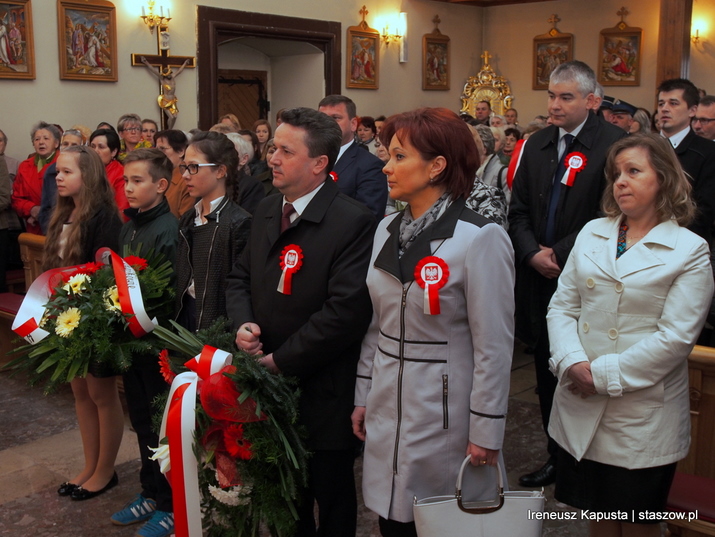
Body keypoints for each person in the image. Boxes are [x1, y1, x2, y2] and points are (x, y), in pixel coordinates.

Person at [352, 108, 514, 537]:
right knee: (391, 517)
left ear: (437, 165)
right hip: (388, 396)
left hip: (445, 405)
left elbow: (494, 346)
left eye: (399, 156)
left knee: (439, 518)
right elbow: (377, 323)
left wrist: (486, 430)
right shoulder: (385, 228)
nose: (386, 166)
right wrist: (363, 392)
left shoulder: (479, 237)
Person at [547, 134, 713, 537]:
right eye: (616, 173)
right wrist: (572, 363)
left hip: (639, 416)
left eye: (633, 171)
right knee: (598, 520)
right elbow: (563, 307)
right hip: (580, 403)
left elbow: (675, 339)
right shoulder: (592, 232)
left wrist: (599, 377)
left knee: (639, 526)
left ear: (664, 178)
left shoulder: (689, 250)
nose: (620, 181)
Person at [227, 107, 375, 537]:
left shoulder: (353, 221)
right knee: (284, 497)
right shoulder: (269, 208)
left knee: (330, 500)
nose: (272, 157)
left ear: (318, 164)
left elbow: (344, 313)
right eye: (273, 147)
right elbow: (240, 277)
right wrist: (244, 325)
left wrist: (280, 360)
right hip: (268, 387)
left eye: (285, 151)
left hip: (323, 390)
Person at [508, 60, 627, 488]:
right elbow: (517, 208)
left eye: (566, 97)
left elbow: (608, 213)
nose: (554, 105)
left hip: (588, 278)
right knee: (544, 368)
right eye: (551, 96)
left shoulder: (614, 144)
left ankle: (587, 460)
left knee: (583, 370)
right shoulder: (537, 143)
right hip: (538, 278)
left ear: (592, 101)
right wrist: (530, 253)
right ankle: (554, 454)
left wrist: (556, 252)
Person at [46, 145, 124, 501]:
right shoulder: (64, 213)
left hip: (95, 318)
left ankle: (106, 471)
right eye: (57, 172)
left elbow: (106, 274)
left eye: (66, 172)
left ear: (87, 176)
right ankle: (89, 465)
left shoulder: (104, 218)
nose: (58, 177)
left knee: (101, 395)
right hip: (68, 316)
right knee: (80, 394)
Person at [112, 148, 177, 537]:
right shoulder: (130, 225)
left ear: (161, 184)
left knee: (158, 427)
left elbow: (166, 295)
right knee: (140, 421)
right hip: (132, 343)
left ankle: (170, 504)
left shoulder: (167, 229)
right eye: (126, 181)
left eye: (138, 181)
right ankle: (150, 491)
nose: (129, 188)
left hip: (155, 346)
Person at [174, 131, 251, 332]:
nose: (185, 175)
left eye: (194, 167)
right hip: (186, 316)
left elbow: (239, 288)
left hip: (216, 325)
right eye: (184, 166)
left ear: (220, 171)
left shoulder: (238, 222)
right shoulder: (189, 218)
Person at [657, 78, 715, 244]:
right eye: (661, 104)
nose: (665, 109)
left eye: (673, 103)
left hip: (685, 242)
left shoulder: (708, 152)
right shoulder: (643, 147)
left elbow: (704, 210)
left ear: (692, 110)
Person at [318, 95, 388, 220]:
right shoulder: (307, 159)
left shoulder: (370, 166)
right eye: (322, 118)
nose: (327, 124)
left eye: (336, 118)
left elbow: (367, 218)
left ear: (353, 124)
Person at [11, 121, 61, 235]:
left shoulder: (63, 163)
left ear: (56, 143)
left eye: (46, 138)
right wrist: (31, 210)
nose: (41, 142)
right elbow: (16, 199)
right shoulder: (24, 166)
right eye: (37, 139)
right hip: (33, 227)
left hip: (57, 226)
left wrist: (43, 213)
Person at [38, 128, 87, 233]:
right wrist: (53, 235)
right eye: (65, 144)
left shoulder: (87, 172)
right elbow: (45, 209)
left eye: (74, 145)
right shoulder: (50, 172)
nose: (68, 148)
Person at [89, 128, 130, 218]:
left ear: (114, 152)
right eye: (92, 146)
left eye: (101, 147)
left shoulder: (121, 174)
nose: (95, 151)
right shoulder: (86, 170)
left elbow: (123, 211)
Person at [154, 129, 193, 218]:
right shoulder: (158, 175)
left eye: (163, 149)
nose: (158, 154)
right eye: (156, 150)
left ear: (180, 151)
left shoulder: (187, 180)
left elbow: (184, 221)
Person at [225, 132, 265, 215]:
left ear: (244, 159)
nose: (223, 157)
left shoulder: (253, 186)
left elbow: (245, 220)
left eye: (230, 153)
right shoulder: (213, 181)